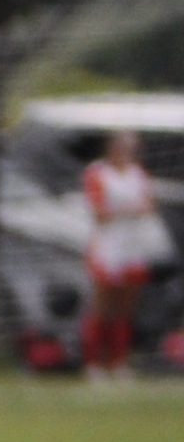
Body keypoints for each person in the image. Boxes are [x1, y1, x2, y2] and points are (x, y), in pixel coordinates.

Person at [81, 129, 166, 386]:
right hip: (109, 246)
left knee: (125, 308)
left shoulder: (137, 174)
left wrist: (137, 209)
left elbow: (148, 204)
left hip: (132, 246)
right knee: (101, 306)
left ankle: (118, 362)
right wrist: (129, 209)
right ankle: (93, 363)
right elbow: (99, 212)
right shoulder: (98, 173)